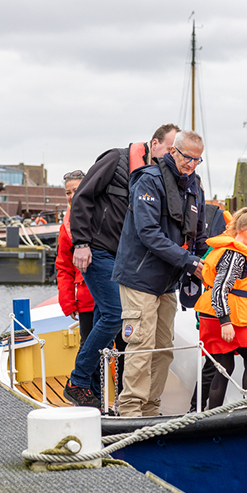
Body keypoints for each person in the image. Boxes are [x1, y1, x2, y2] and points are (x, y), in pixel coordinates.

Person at [64, 123, 179, 407]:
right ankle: (78, 381)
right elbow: (82, 197)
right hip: (99, 251)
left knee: (120, 325)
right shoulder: (116, 160)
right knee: (116, 314)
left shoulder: (161, 177)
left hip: (127, 260)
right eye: (170, 149)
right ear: (154, 144)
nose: (173, 156)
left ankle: (112, 398)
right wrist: (80, 243)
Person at [111, 129, 209, 417]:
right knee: (141, 344)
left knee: (163, 347)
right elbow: (148, 233)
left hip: (168, 282)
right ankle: (130, 410)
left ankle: (151, 408)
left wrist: (215, 259)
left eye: (197, 160)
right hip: (139, 277)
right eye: (187, 158)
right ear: (173, 152)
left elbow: (200, 236)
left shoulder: (195, 187)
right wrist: (189, 262)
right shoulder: (149, 180)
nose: (191, 164)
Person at [195, 204, 247, 409]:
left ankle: (213, 414)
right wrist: (225, 323)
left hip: (214, 316)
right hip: (225, 318)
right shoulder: (236, 255)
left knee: (224, 366)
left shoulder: (237, 253)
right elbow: (220, 289)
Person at [54, 170, 93, 347]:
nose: (72, 196)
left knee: (121, 345)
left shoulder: (104, 215)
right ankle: (85, 376)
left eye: (76, 191)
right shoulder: (66, 229)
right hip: (86, 299)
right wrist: (68, 302)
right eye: (68, 193)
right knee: (88, 345)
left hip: (111, 294)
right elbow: (64, 267)